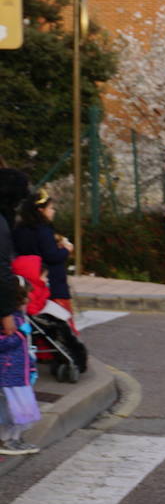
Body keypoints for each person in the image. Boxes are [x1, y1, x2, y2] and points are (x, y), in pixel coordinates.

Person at [0, 275, 41, 456]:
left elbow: (24, 350)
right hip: (8, 373)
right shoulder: (8, 320)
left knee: (22, 409)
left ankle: (16, 438)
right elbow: (3, 343)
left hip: (19, 373)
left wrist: (31, 366)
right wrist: (20, 335)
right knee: (11, 409)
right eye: (26, 296)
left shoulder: (19, 317)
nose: (29, 299)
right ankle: (7, 440)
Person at [12, 189, 74, 305]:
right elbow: (52, 256)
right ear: (40, 210)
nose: (53, 211)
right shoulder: (44, 230)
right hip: (50, 283)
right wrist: (66, 250)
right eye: (50, 208)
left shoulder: (19, 229)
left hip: (28, 280)